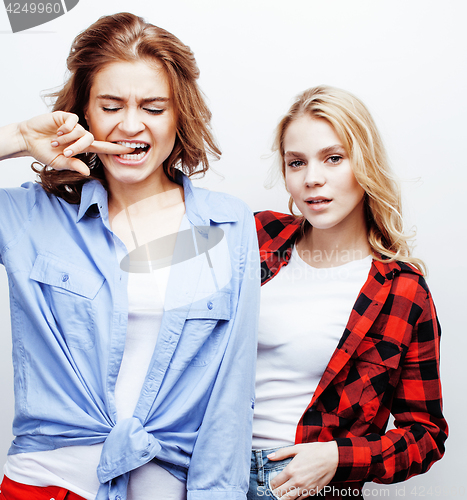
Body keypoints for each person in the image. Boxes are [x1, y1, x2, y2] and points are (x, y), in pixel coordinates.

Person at [0, 12, 259, 500]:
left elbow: (231, 391)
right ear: (83, 113)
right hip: (47, 484)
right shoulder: (29, 216)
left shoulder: (228, 224)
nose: (130, 125)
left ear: (179, 114)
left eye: (153, 107)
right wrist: (15, 138)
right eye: (111, 105)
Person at [249, 86, 447, 500]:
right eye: (296, 162)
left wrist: (338, 457)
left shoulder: (402, 291)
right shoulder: (256, 235)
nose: (312, 178)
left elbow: (426, 435)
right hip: (206, 471)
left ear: (365, 163)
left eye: (333, 158)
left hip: (305, 488)